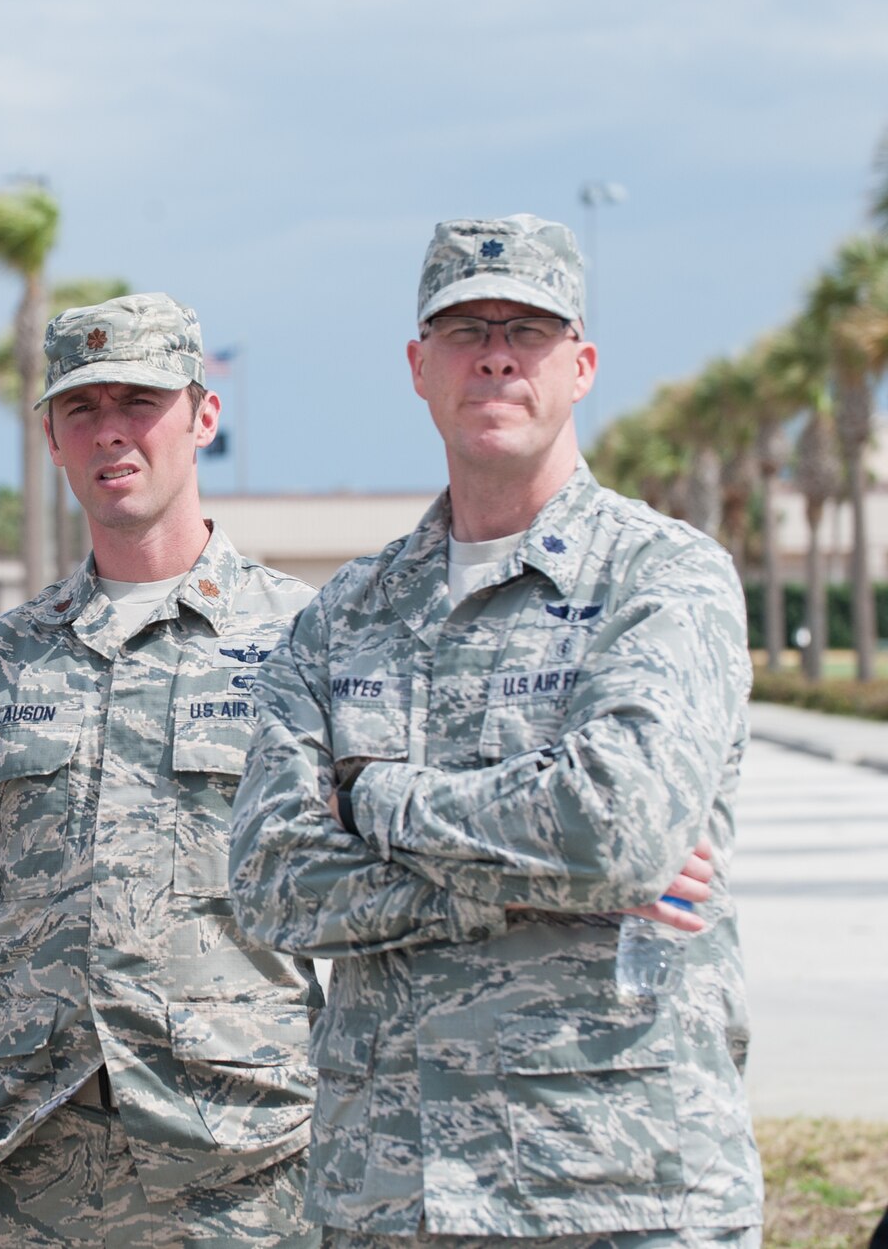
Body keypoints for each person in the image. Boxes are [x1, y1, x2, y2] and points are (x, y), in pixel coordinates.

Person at [229, 215, 761, 1247]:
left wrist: (378, 798)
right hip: (392, 1189)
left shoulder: (660, 578)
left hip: (618, 1185)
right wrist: (543, 882)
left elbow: (614, 830)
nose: (496, 352)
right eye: (464, 327)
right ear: (418, 366)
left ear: (580, 364)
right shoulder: (344, 615)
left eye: (528, 326)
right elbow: (269, 880)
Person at [0, 293, 321, 1249]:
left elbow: (393, 890)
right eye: (83, 407)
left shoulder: (306, 643)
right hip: (32, 1172)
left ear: (203, 415)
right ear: (51, 437)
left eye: (139, 401)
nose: (112, 432)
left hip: (251, 1169)